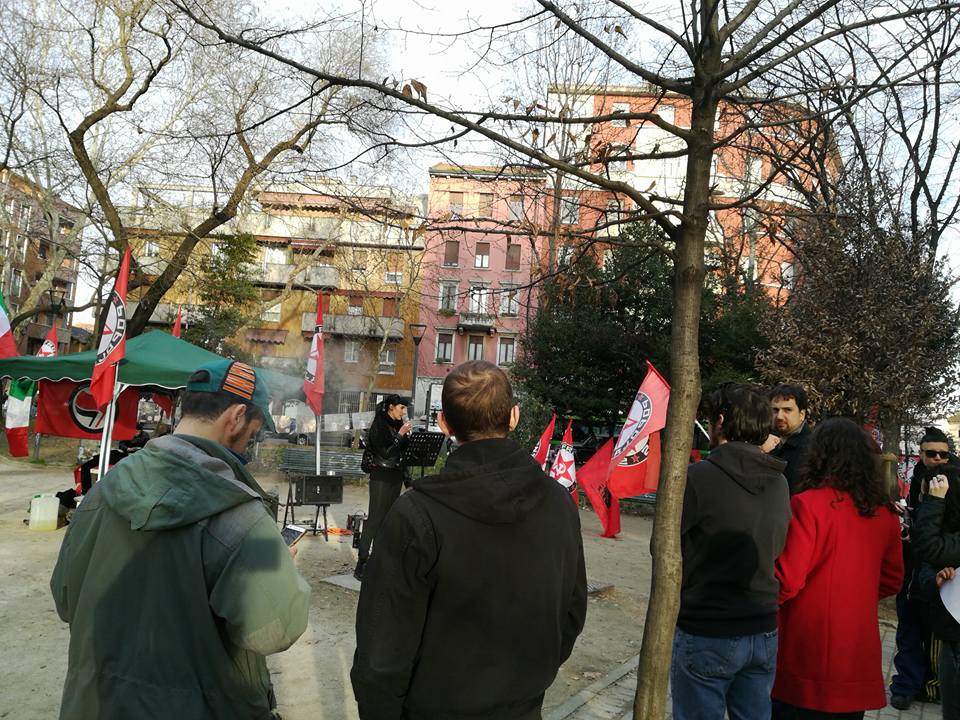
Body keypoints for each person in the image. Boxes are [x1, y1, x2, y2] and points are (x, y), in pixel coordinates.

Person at [50, 359, 311, 720]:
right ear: (235, 417)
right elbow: (275, 630)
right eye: (253, 431)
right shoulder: (244, 515)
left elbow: (65, 599)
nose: (252, 443)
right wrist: (280, 565)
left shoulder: (104, 490)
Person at [351, 361, 587, 719]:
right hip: (521, 704)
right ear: (514, 417)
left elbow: (381, 649)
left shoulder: (415, 514)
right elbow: (571, 613)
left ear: (444, 423)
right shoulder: (560, 503)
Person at [672, 383, 791, 720]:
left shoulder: (697, 478)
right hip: (762, 627)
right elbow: (778, 544)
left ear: (720, 421)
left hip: (708, 627)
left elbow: (666, 550)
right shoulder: (780, 481)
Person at [773, 417, 904, 719]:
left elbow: (788, 580)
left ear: (819, 455)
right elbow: (893, 579)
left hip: (807, 643)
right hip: (856, 644)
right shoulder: (884, 513)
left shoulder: (808, 504)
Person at [890, 426, 952, 710]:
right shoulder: (918, 479)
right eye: (932, 453)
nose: (938, 458)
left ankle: (931, 686)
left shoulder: (953, 483)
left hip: (940, 569)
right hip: (913, 566)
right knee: (908, 627)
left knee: (933, 632)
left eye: (943, 454)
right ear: (920, 455)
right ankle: (906, 685)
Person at [912, 464, 960, 720]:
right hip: (950, 633)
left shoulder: (942, 523)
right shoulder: (948, 530)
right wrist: (936, 581)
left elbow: (929, 547)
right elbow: (928, 565)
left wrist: (933, 503)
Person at [353, 393, 412, 580]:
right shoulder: (378, 425)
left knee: (388, 519)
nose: (404, 411)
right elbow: (385, 453)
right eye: (401, 407)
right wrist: (400, 436)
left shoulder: (398, 426)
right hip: (380, 474)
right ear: (391, 407)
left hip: (395, 475)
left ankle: (379, 560)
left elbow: (403, 456)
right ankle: (362, 562)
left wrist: (407, 480)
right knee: (375, 519)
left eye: (405, 408)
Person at [769, 383, 813, 494]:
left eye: (787, 410)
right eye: (775, 410)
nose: (779, 416)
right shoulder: (773, 445)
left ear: (802, 414)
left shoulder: (810, 450)